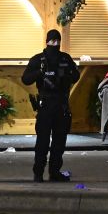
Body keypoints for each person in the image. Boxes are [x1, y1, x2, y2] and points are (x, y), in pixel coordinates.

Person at [22, 29, 81, 183]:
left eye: (57, 41)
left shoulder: (65, 59)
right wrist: (39, 74)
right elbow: (26, 79)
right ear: (47, 41)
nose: (54, 44)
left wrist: (66, 73)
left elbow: (76, 76)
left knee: (59, 142)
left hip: (61, 105)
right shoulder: (38, 60)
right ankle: (38, 173)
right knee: (42, 142)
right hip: (46, 105)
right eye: (52, 41)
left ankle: (54, 172)